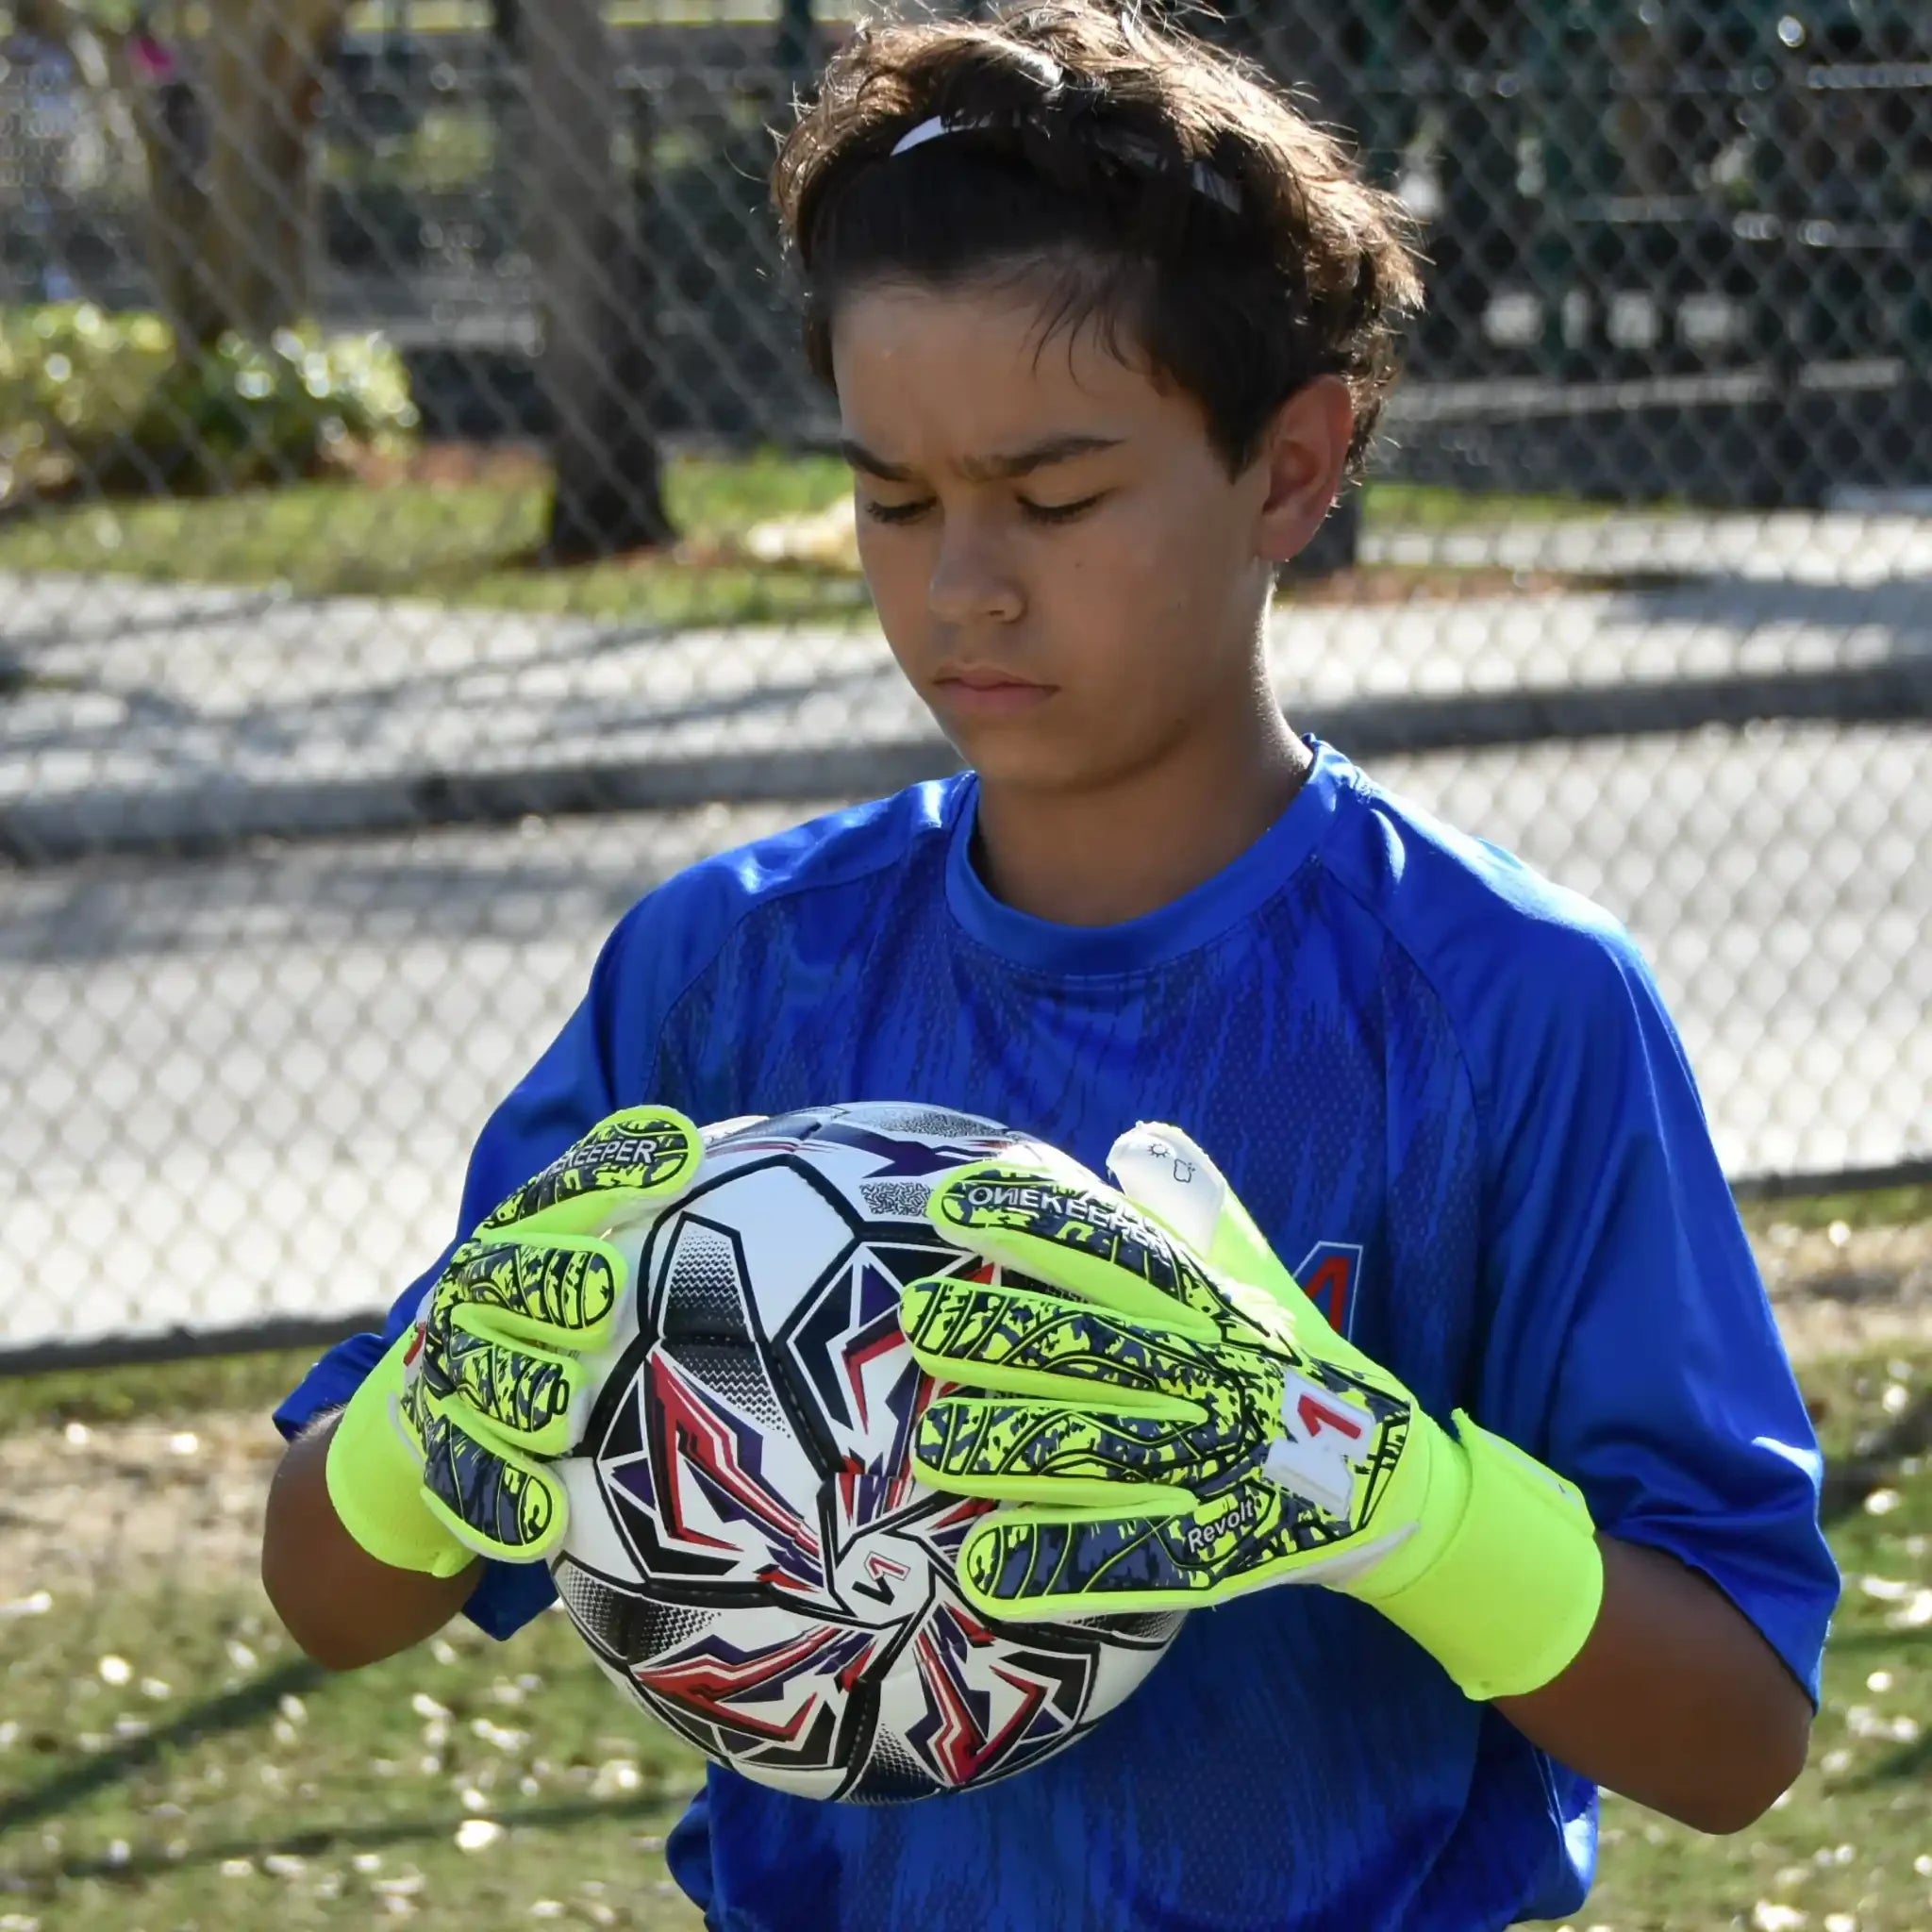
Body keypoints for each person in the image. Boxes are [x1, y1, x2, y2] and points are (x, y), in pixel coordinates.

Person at [259, 5, 1838, 1927]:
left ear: (1293, 467)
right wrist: (423, 1433)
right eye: (893, 500)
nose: (963, 586)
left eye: (1055, 495)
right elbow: (325, 1596)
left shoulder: (1508, 1006)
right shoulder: (728, 976)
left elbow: (1739, 1728)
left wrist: (1390, 1498)